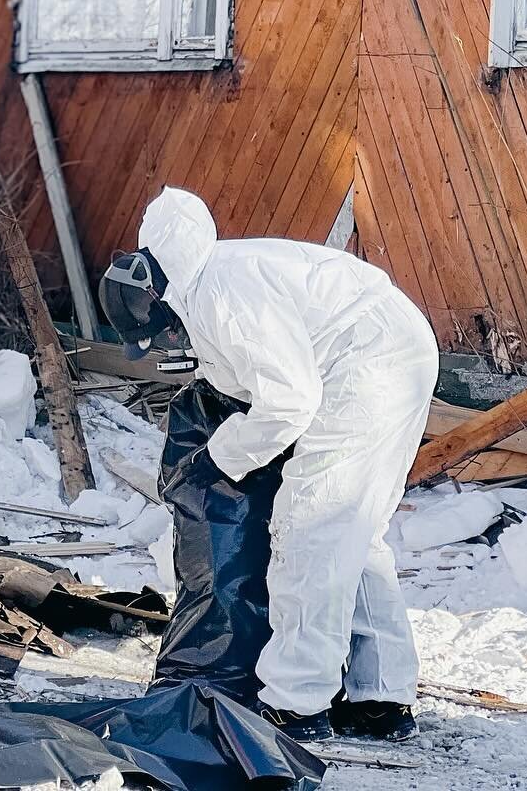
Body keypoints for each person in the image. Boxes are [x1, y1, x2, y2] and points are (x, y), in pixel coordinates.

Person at [100, 185, 438, 746]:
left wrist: (219, 458)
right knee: (356, 532)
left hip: (367, 364)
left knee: (314, 527)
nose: (163, 340)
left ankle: (295, 703)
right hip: (393, 348)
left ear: (159, 297)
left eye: (158, 330)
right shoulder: (207, 281)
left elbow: (289, 400)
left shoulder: (222, 297)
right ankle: (382, 698)